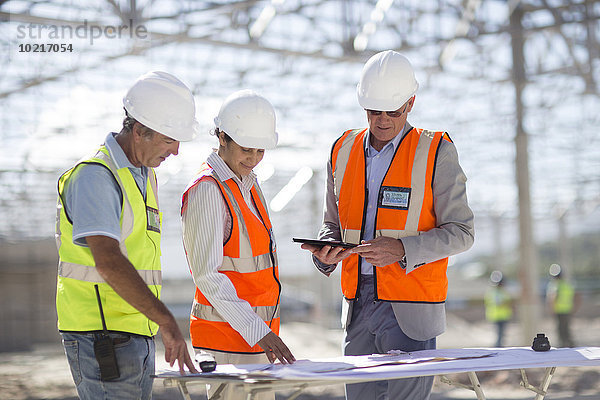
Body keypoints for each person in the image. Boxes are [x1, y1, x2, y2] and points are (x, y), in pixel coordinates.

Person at [301, 50, 474, 400]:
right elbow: (331, 224)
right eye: (373, 111)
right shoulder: (341, 149)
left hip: (410, 309)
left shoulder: (436, 150)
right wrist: (325, 251)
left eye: (392, 112)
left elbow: (462, 232)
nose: (381, 121)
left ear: (410, 103)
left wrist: (402, 249)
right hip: (358, 307)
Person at [55, 71, 199, 400]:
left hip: (133, 331)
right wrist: (166, 319)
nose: (175, 151)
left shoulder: (143, 176)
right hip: (101, 336)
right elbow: (107, 260)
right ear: (139, 132)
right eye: (168, 139)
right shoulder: (96, 176)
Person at [181, 90, 296, 400]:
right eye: (247, 149)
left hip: (257, 339)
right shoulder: (208, 190)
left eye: (260, 150)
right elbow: (207, 274)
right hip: (227, 343)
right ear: (222, 137)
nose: (254, 158)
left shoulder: (249, 184)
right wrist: (258, 330)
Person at [546, 263, 580, 347]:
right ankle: (570, 345)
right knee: (567, 330)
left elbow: (553, 298)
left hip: (559, 311)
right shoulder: (567, 284)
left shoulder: (555, 285)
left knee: (561, 331)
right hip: (568, 310)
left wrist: (551, 309)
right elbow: (577, 296)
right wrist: (575, 308)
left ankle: (564, 347)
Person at [484, 271, 513, 347]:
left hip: (502, 316)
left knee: (501, 335)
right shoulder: (495, 293)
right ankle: (498, 348)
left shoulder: (498, 292)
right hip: (497, 317)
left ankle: (499, 347)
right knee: (499, 335)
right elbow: (499, 303)